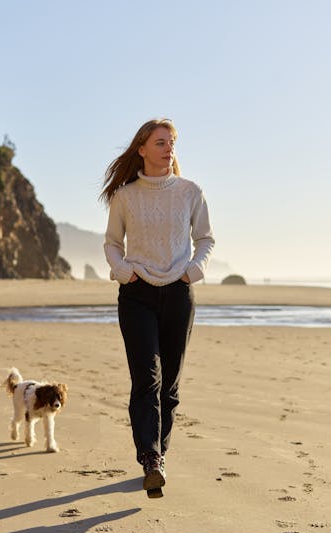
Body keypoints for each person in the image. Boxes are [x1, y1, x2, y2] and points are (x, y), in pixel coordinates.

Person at [101, 118, 215, 497]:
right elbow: (113, 243)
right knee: (146, 379)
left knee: (170, 386)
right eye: (161, 142)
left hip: (179, 294)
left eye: (172, 143)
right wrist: (123, 271)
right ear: (143, 149)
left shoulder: (189, 191)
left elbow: (205, 238)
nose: (169, 149)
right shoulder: (125, 196)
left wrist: (193, 272)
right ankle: (150, 459)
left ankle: (158, 456)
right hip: (137, 294)